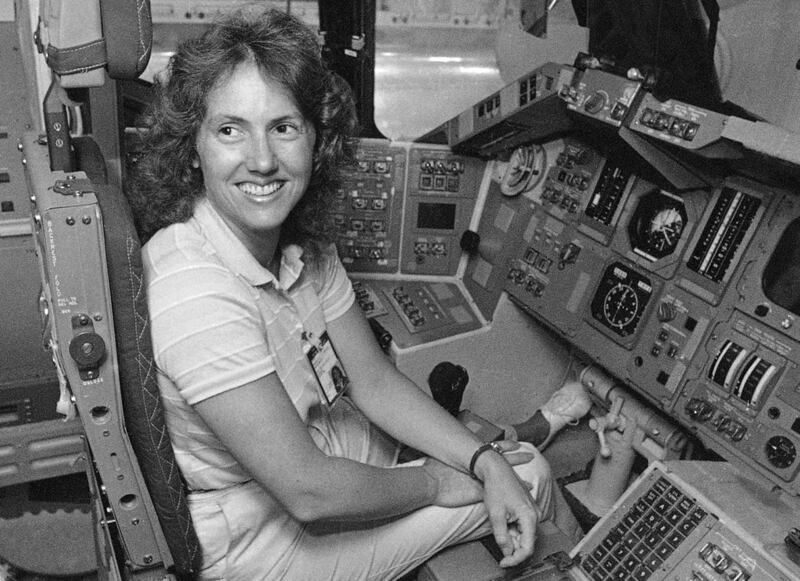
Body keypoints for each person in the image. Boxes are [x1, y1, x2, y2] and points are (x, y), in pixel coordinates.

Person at [129, 7, 585, 580]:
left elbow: (371, 381)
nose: (263, 160)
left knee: (499, 457)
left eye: (284, 126)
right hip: (256, 533)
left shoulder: (303, 248)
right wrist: (431, 482)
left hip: (328, 446)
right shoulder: (192, 288)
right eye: (230, 130)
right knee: (534, 475)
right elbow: (309, 493)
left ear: (316, 139)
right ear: (192, 146)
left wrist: (480, 459)